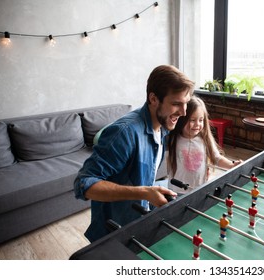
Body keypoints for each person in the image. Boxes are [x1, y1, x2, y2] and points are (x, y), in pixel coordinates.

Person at [74, 65, 195, 242]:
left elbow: (142, 177)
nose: (183, 112)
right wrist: (144, 192)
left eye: (186, 104)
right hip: (113, 233)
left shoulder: (162, 127)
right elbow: (83, 184)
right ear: (153, 99)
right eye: (176, 104)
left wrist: (150, 192)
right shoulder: (124, 133)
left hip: (137, 222)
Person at [167, 96, 242, 193]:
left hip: (200, 188)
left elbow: (217, 158)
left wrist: (231, 165)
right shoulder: (173, 139)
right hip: (177, 190)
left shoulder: (205, 139)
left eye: (201, 120)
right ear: (182, 120)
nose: (197, 124)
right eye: (192, 120)